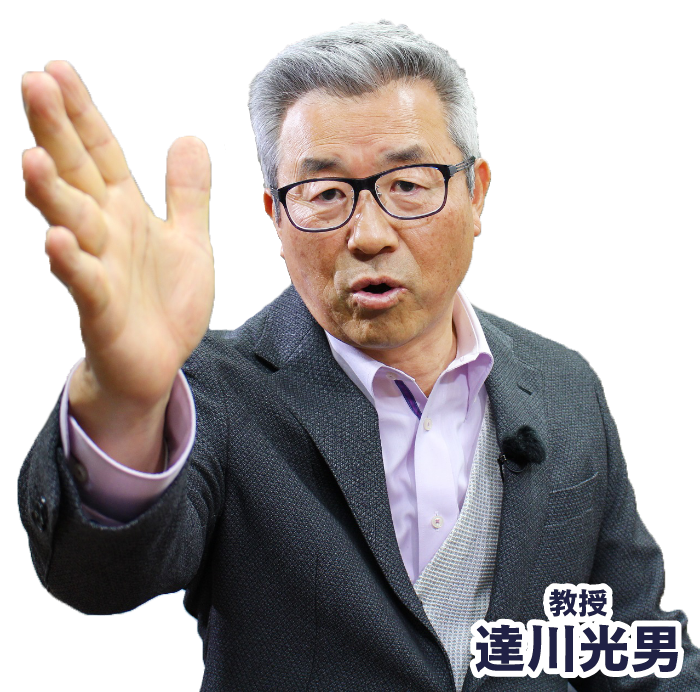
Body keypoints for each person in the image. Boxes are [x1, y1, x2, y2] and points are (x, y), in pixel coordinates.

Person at [17, 21, 698, 691]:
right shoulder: (209, 394)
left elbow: (630, 645)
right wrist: (125, 404)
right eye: (325, 194)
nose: (369, 235)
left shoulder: (565, 383)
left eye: (408, 184)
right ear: (275, 215)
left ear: (475, 192)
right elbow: (99, 576)